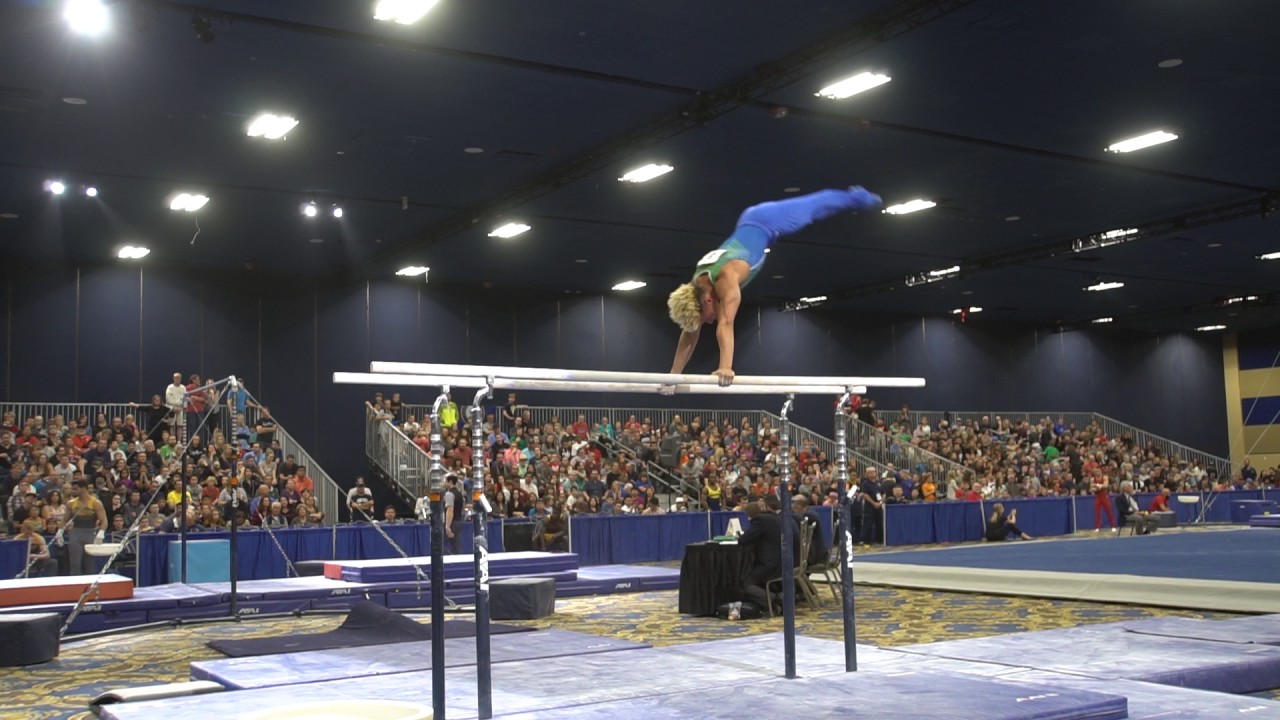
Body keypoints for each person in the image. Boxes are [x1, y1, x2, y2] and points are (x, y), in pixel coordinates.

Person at [665, 187, 881, 386]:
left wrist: (725, 367)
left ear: (708, 300)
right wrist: (673, 376)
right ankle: (853, 199)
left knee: (815, 207)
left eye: (706, 317)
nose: (709, 321)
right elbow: (690, 334)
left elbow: (726, 323)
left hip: (767, 221)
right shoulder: (695, 289)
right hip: (749, 223)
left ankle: (858, 197)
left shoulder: (726, 278)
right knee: (815, 212)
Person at [737, 494, 799, 614]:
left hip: (771, 565)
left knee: (743, 582)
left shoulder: (761, 520)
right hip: (785, 561)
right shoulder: (777, 518)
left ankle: (773, 600)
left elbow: (743, 540)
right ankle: (776, 598)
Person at [66, 478, 107, 575]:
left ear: (83, 489)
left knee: (90, 564)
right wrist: (60, 531)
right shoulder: (71, 503)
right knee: (75, 564)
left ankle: (90, 586)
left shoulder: (95, 503)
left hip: (90, 533)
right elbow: (64, 519)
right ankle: (75, 586)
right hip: (76, 533)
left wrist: (100, 534)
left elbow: (104, 520)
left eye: (75, 489)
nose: (73, 491)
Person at [443, 474, 465, 554]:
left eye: (445, 481)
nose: (443, 483)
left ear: (450, 482)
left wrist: (447, 526)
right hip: (459, 520)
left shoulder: (449, 494)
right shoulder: (460, 494)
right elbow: (462, 508)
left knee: (440, 544)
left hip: (452, 522)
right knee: (456, 545)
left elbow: (450, 510)